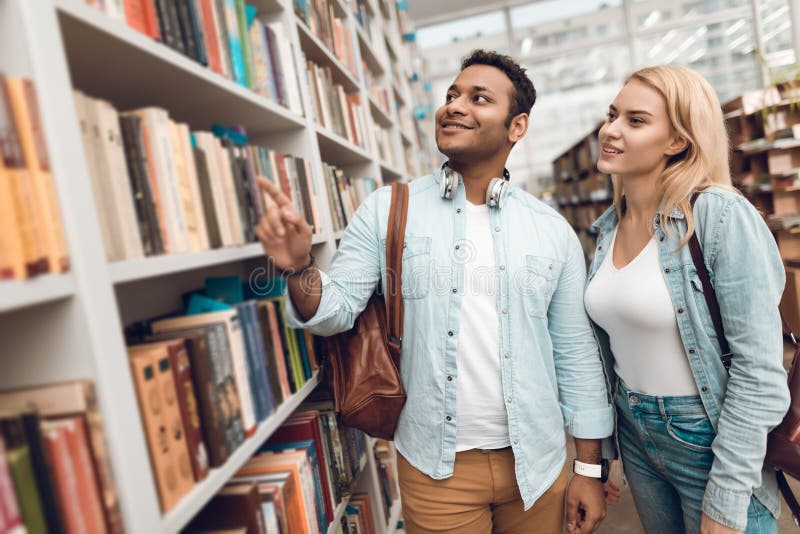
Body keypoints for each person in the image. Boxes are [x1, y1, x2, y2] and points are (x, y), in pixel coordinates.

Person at [256, 49, 613, 534]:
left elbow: (576, 354)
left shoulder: (551, 230)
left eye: (478, 98)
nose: (455, 106)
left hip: (539, 462)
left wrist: (588, 470)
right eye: (452, 95)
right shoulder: (388, 208)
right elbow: (335, 314)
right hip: (435, 467)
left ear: (517, 126)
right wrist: (298, 267)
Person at [584, 65, 791, 534]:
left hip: (708, 433)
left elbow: (759, 371)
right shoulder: (607, 228)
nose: (610, 130)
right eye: (613, 114)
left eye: (636, 121)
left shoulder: (718, 215)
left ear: (677, 141)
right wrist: (604, 459)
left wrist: (727, 496)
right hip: (635, 431)